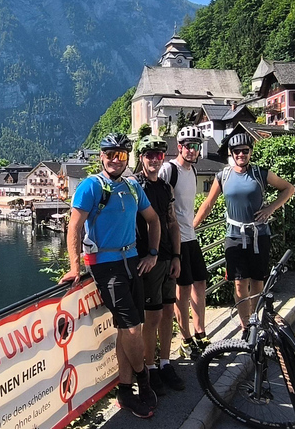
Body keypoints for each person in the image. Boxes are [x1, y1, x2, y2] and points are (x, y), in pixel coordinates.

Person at [61, 132, 161, 418]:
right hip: (105, 266)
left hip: (132, 261)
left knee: (127, 330)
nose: (115, 160)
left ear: (127, 158)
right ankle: (144, 378)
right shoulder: (91, 186)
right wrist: (75, 267)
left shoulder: (131, 187)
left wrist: (152, 253)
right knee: (131, 329)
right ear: (101, 156)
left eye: (121, 155)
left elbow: (154, 220)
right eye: (109, 154)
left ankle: (126, 391)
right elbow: (75, 228)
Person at [194, 133, 295, 336]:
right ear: (232, 153)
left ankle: (256, 322)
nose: (241, 154)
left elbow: (289, 189)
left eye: (245, 151)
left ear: (250, 152)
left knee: (257, 282)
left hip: (259, 235)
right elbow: (208, 203)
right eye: (237, 151)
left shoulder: (260, 173)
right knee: (239, 283)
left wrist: (270, 209)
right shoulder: (223, 176)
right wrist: (191, 226)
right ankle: (245, 325)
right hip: (234, 236)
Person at [133, 135, 185, 394]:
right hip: (147, 260)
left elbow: (172, 222)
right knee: (151, 317)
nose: (154, 159)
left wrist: (177, 256)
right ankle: (150, 367)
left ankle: (165, 363)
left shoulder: (166, 187)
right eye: (149, 155)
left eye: (159, 155)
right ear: (140, 157)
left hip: (166, 259)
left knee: (167, 314)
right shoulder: (134, 185)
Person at [158, 126, 208, 360]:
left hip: (192, 236)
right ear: (179, 147)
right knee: (183, 289)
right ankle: (185, 338)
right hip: (176, 240)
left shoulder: (193, 170)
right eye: (188, 146)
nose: (192, 150)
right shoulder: (169, 170)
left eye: (196, 146)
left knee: (200, 283)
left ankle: (200, 332)